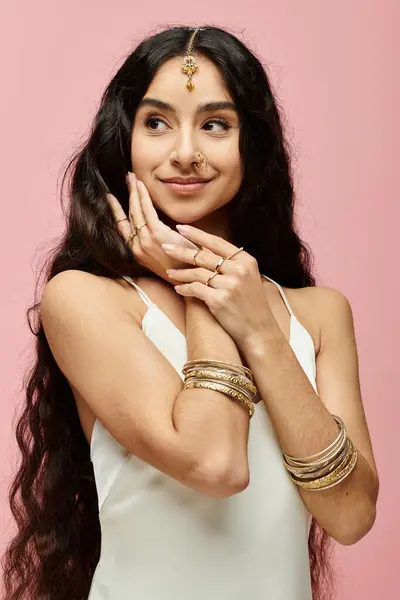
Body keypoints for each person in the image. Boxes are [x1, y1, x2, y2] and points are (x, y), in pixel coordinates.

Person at [1, 25, 379, 600]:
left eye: (214, 124)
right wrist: (196, 276)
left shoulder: (321, 314)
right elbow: (217, 464)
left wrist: (259, 326)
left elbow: (350, 517)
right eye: (156, 122)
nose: (184, 152)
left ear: (253, 144)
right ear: (123, 139)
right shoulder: (86, 299)